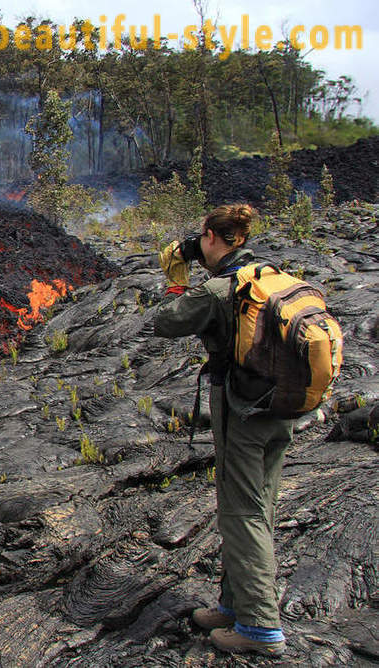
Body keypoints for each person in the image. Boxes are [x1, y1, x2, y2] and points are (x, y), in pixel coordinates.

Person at [153, 203, 291, 657]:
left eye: (201, 237)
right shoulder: (266, 274)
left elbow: (166, 321)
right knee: (258, 503)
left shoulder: (217, 290)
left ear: (212, 236)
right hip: (280, 405)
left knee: (242, 513)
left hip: (244, 411)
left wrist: (177, 278)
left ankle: (260, 628)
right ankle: (234, 605)